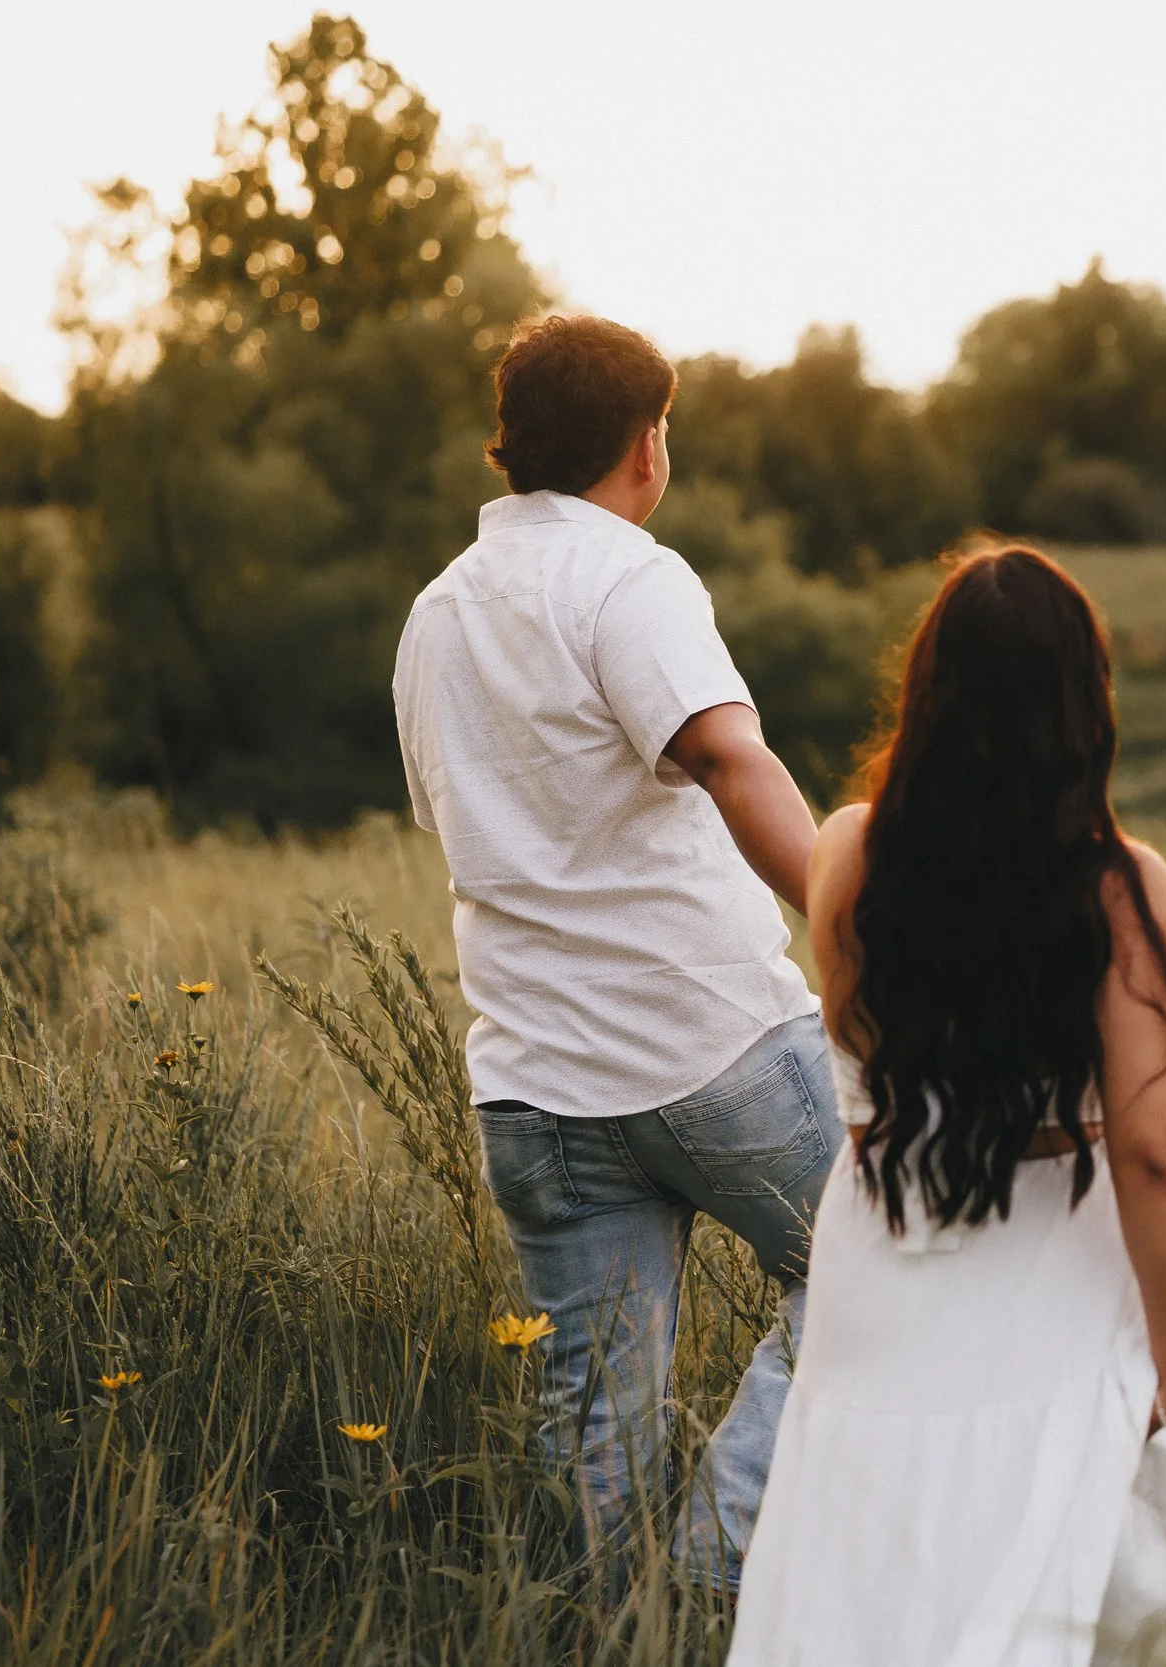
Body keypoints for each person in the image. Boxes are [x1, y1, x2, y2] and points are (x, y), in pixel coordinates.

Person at [392, 314, 835, 1588]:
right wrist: (858, 922)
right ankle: (709, 1568)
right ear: (648, 441)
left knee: (593, 1435)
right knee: (885, 1262)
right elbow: (727, 755)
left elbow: (455, 819)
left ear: (512, 444)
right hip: (711, 1044)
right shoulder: (631, 577)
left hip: (535, 1083)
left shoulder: (436, 614)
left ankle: (616, 1627)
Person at [728, 546, 1166, 1666]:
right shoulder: (1118, 884)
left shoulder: (849, 850)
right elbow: (1152, 1147)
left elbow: (862, 1042)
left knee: (870, 1547)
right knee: (1051, 1560)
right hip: (1056, 1247)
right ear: (1081, 702)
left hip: (890, 1226)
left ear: (928, 689)